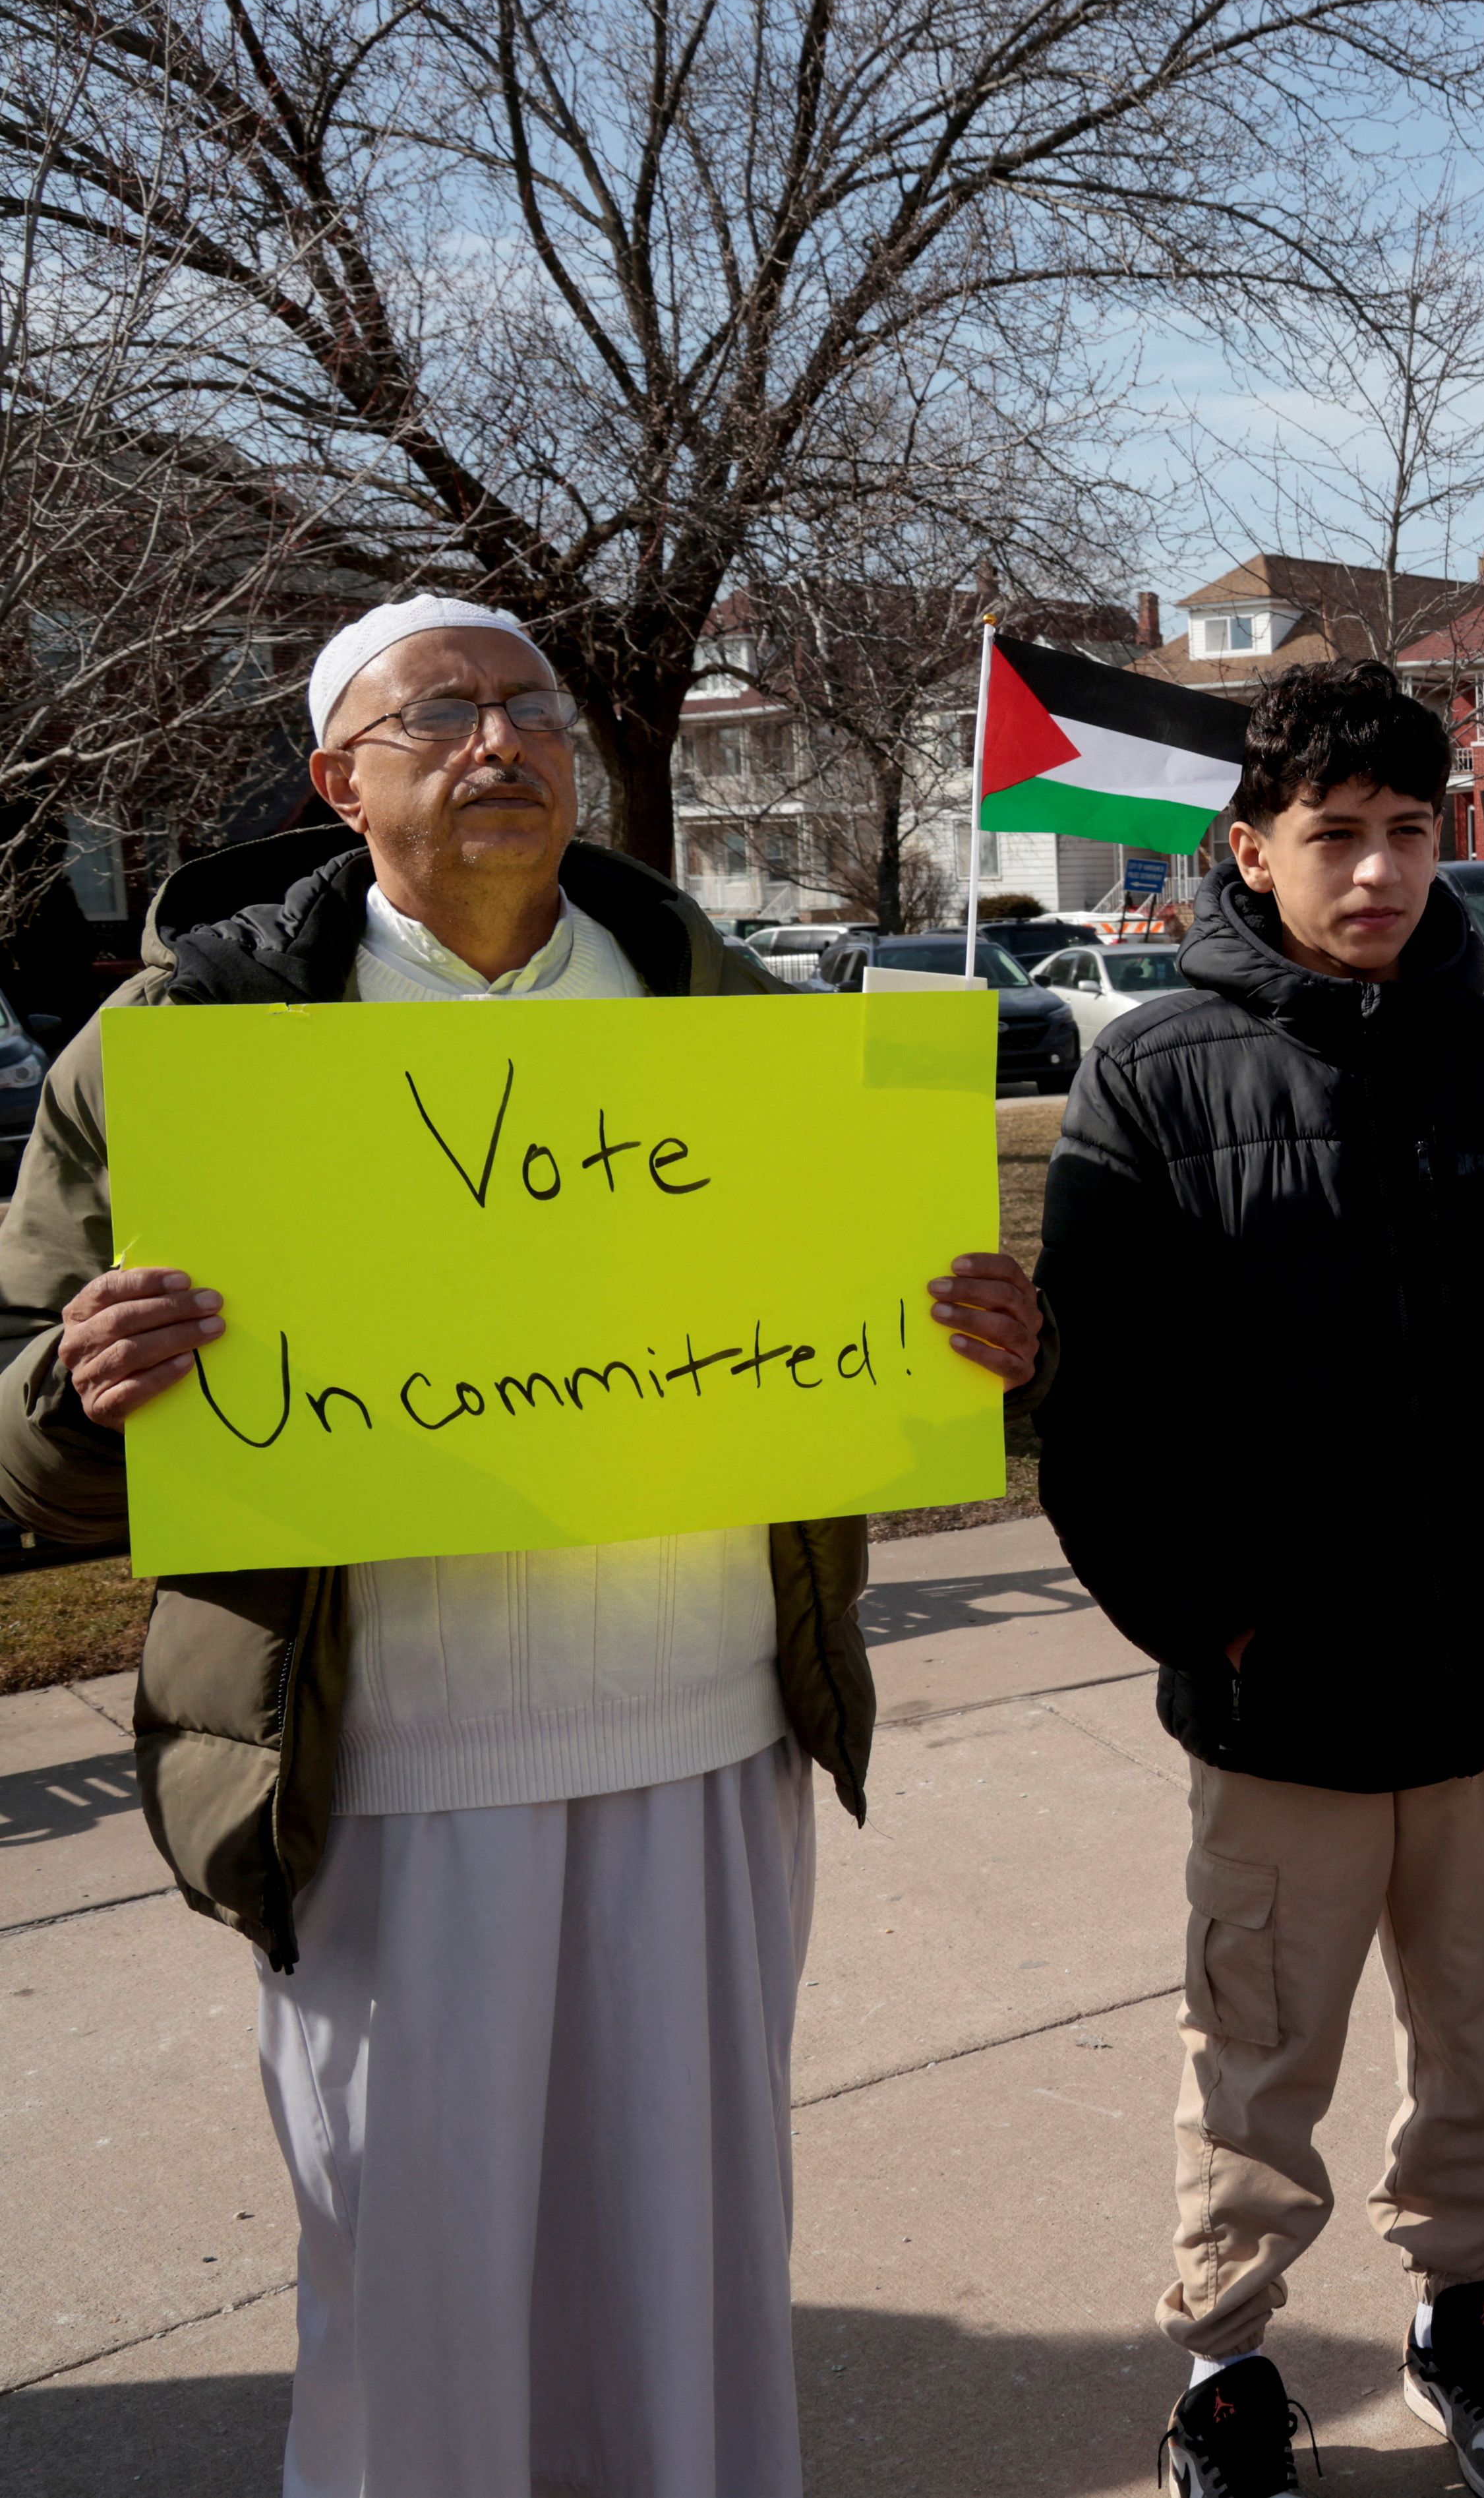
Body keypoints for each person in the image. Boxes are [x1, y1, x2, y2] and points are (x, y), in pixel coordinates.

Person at [0, 593, 1045, 2497]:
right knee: (416, 2295)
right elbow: (28, 1443)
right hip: (381, 1769)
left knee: (695, 2273)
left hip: (706, 1734)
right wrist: (80, 1391)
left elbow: (869, 1345)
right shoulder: (188, 1049)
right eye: (439, 714)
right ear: (338, 780)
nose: (499, 741)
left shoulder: (739, 1029)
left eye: (530, 706)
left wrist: (976, 1342)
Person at [1036, 659, 1484, 2498]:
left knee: (1475, 2037)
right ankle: (1230, 2360)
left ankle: (1461, 2306)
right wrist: (1201, 1614)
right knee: (1256, 2055)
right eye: (1334, 835)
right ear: (1252, 846)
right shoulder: (1152, 1069)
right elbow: (1098, 1405)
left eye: (1405, 831)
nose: (1376, 870)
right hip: (1280, 1696)